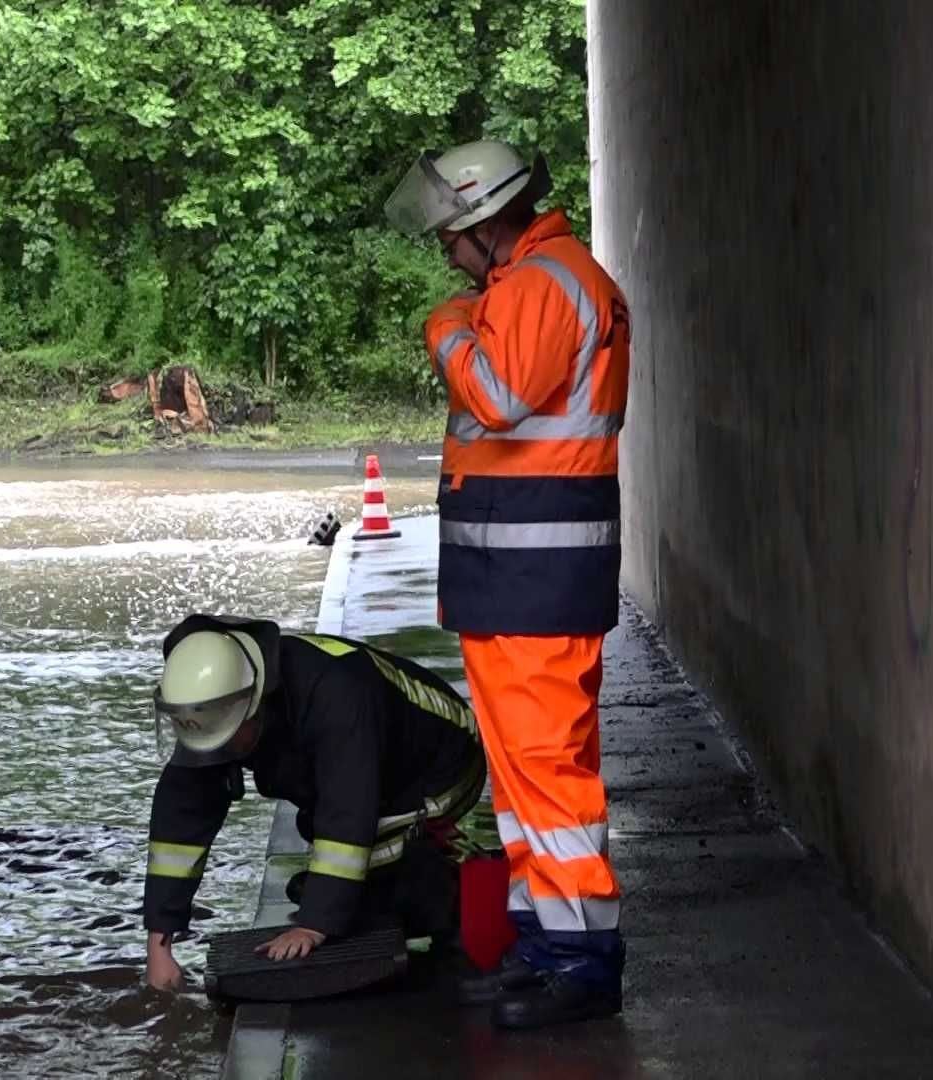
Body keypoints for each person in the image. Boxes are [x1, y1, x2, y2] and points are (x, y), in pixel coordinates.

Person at [382, 139, 632, 1028]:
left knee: (548, 771)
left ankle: (580, 962)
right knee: (525, 774)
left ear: (488, 221)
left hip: (536, 579)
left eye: (453, 234)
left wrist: (444, 327)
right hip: (518, 578)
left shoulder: (538, 286)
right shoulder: (532, 283)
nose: (446, 251)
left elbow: (496, 396)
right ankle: (543, 943)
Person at [141, 614, 484, 992]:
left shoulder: (335, 692)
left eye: (228, 740)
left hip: (444, 766)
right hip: (374, 773)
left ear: (254, 704)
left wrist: (314, 924)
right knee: (335, 883)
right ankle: (369, 892)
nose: (220, 751)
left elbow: (348, 812)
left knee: (366, 872)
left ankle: (448, 896)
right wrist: (160, 944)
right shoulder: (214, 705)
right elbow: (179, 825)